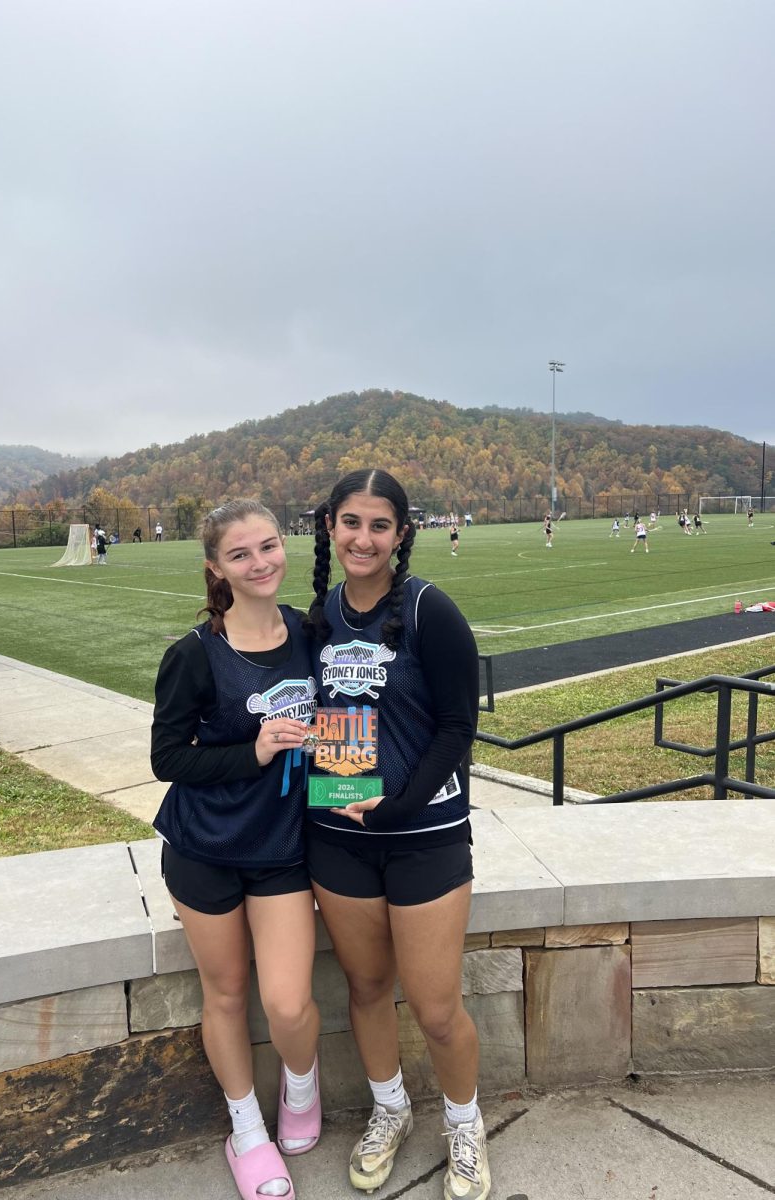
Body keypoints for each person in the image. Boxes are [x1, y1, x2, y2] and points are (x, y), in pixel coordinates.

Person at [306, 470, 488, 1200]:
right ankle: (390, 1111)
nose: (363, 538)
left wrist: (398, 807)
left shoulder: (428, 610)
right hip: (337, 835)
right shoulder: (318, 616)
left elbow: (458, 728)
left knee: (438, 1008)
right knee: (368, 986)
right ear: (329, 527)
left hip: (425, 834)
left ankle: (465, 1124)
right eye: (351, 522)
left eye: (379, 525)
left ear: (401, 534)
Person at [151, 499, 321, 1200]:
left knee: (286, 1004)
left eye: (270, 546)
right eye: (242, 554)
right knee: (225, 992)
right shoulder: (194, 655)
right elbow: (168, 760)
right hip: (206, 847)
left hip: (282, 846)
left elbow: (355, 714)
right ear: (217, 569)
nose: (261, 563)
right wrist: (251, 751)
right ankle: (246, 1130)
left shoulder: (313, 636)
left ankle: (302, 1088)